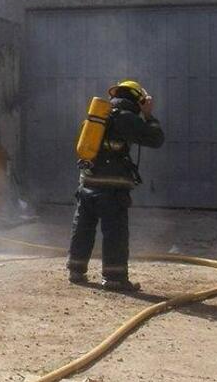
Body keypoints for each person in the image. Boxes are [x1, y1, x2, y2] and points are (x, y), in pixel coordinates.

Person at [67, 80, 164, 291]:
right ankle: (114, 278)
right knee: (114, 233)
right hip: (111, 188)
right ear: (137, 99)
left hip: (87, 184)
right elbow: (156, 139)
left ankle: (76, 270)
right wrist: (148, 115)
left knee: (83, 228)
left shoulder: (96, 117)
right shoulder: (126, 118)